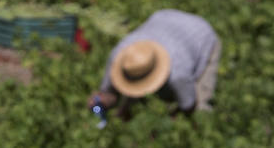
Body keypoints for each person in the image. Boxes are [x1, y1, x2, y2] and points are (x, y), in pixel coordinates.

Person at [88, 8, 221, 120]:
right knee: (132, 106)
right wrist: (100, 105)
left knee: (200, 111)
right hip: (164, 19)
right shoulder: (120, 57)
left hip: (200, 35)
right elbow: (109, 94)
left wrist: (169, 123)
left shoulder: (177, 74)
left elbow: (189, 106)